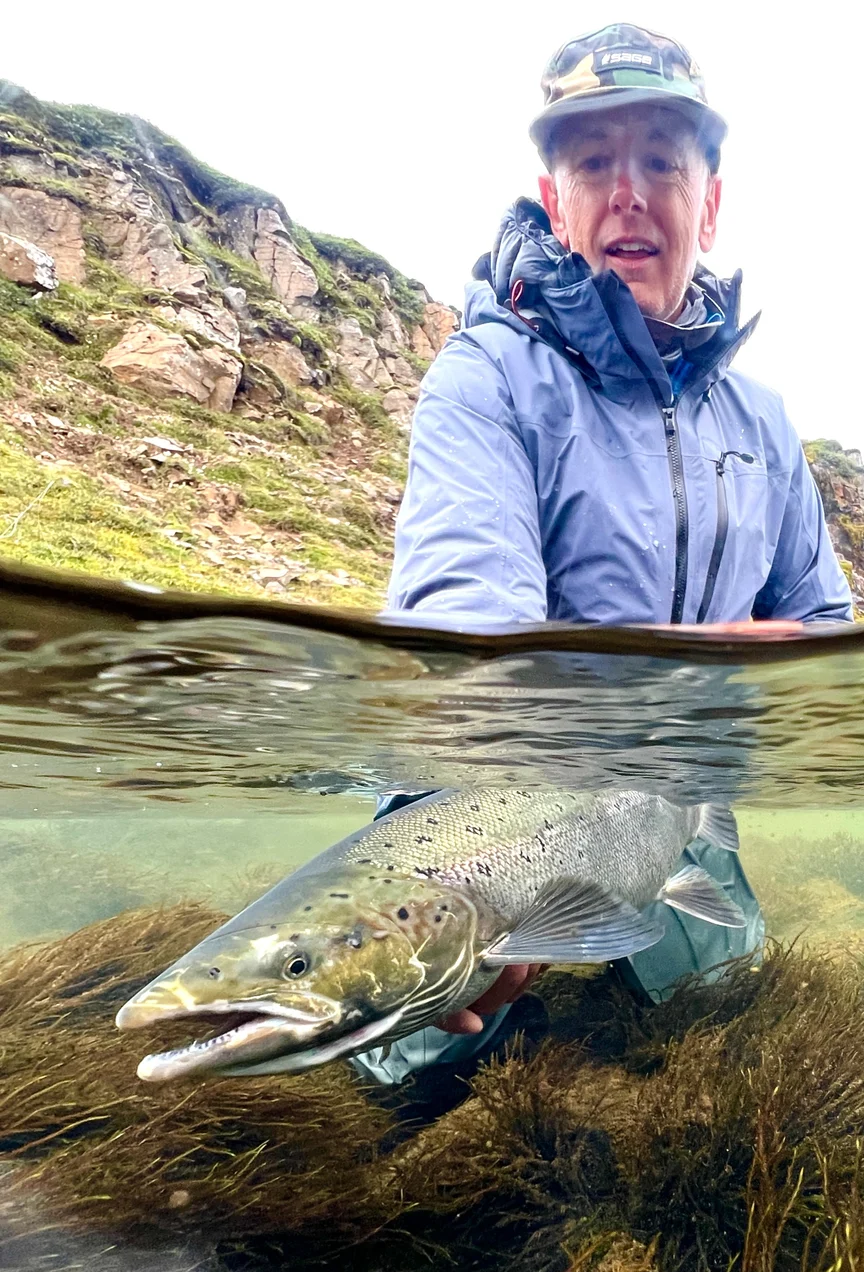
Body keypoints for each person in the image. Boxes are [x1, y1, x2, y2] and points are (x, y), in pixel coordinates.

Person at [353, 23, 853, 1085]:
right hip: (497, 811)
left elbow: (825, 634)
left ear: (707, 201)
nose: (628, 191)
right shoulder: (485, 378)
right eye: (593, 162)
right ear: (554, 195)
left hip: (679, 819)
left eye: (662, 161)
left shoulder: (765, 424)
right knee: (407, 1072)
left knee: (721, 1028)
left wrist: (772, 678)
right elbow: (471, 630)